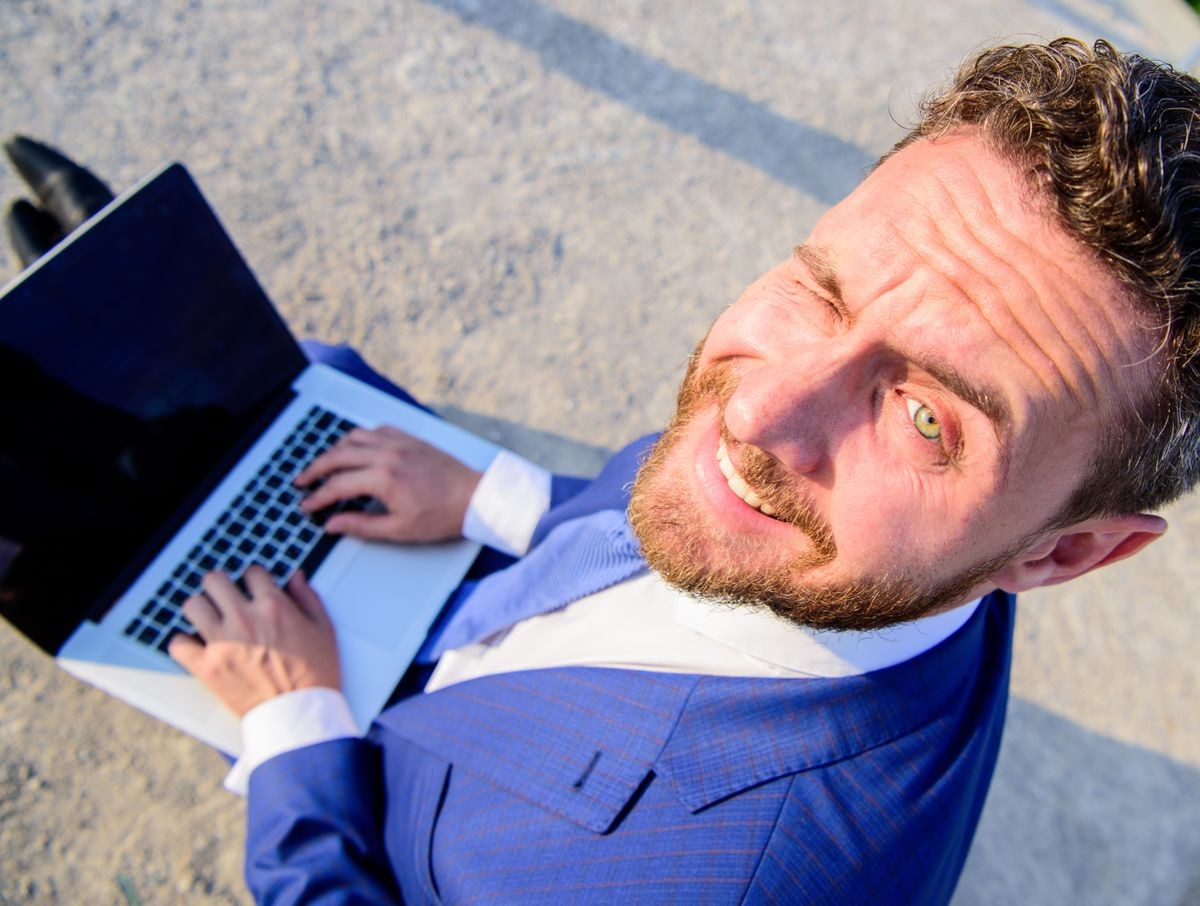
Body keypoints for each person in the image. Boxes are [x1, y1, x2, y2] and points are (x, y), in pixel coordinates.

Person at [14, 37, 1200, 904]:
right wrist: (496, 497)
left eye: (927, 418)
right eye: (823, 287)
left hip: (343, 731)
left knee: (103, 511)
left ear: (1068, 552)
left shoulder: (704, 883)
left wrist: (297, 732)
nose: (754, 411)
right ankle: (87, 282)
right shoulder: (919, 536)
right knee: (266, 387)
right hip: (476, 567)